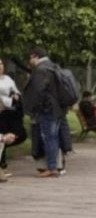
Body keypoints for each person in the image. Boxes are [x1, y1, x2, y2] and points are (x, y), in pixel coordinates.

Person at [22, 47, 66, 178]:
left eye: (30, 58)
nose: (30, 62)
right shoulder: (54, 66)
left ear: (35, 56)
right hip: (58, 108)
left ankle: (51, 168)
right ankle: (54, 166)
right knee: (54, 137)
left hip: (47, 109)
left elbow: (38, 91)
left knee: (48, 138)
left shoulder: (41, 69)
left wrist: (33, 107)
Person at [0, 57, 27, 172]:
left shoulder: (7, 79)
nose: (0, 66)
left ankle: (2, 162)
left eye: (1, 63)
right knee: (1, 135)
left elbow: (17, 93)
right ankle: (2, 165)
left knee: (20, 134)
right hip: (1, 113)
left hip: (10, 113)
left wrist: (15, 97)